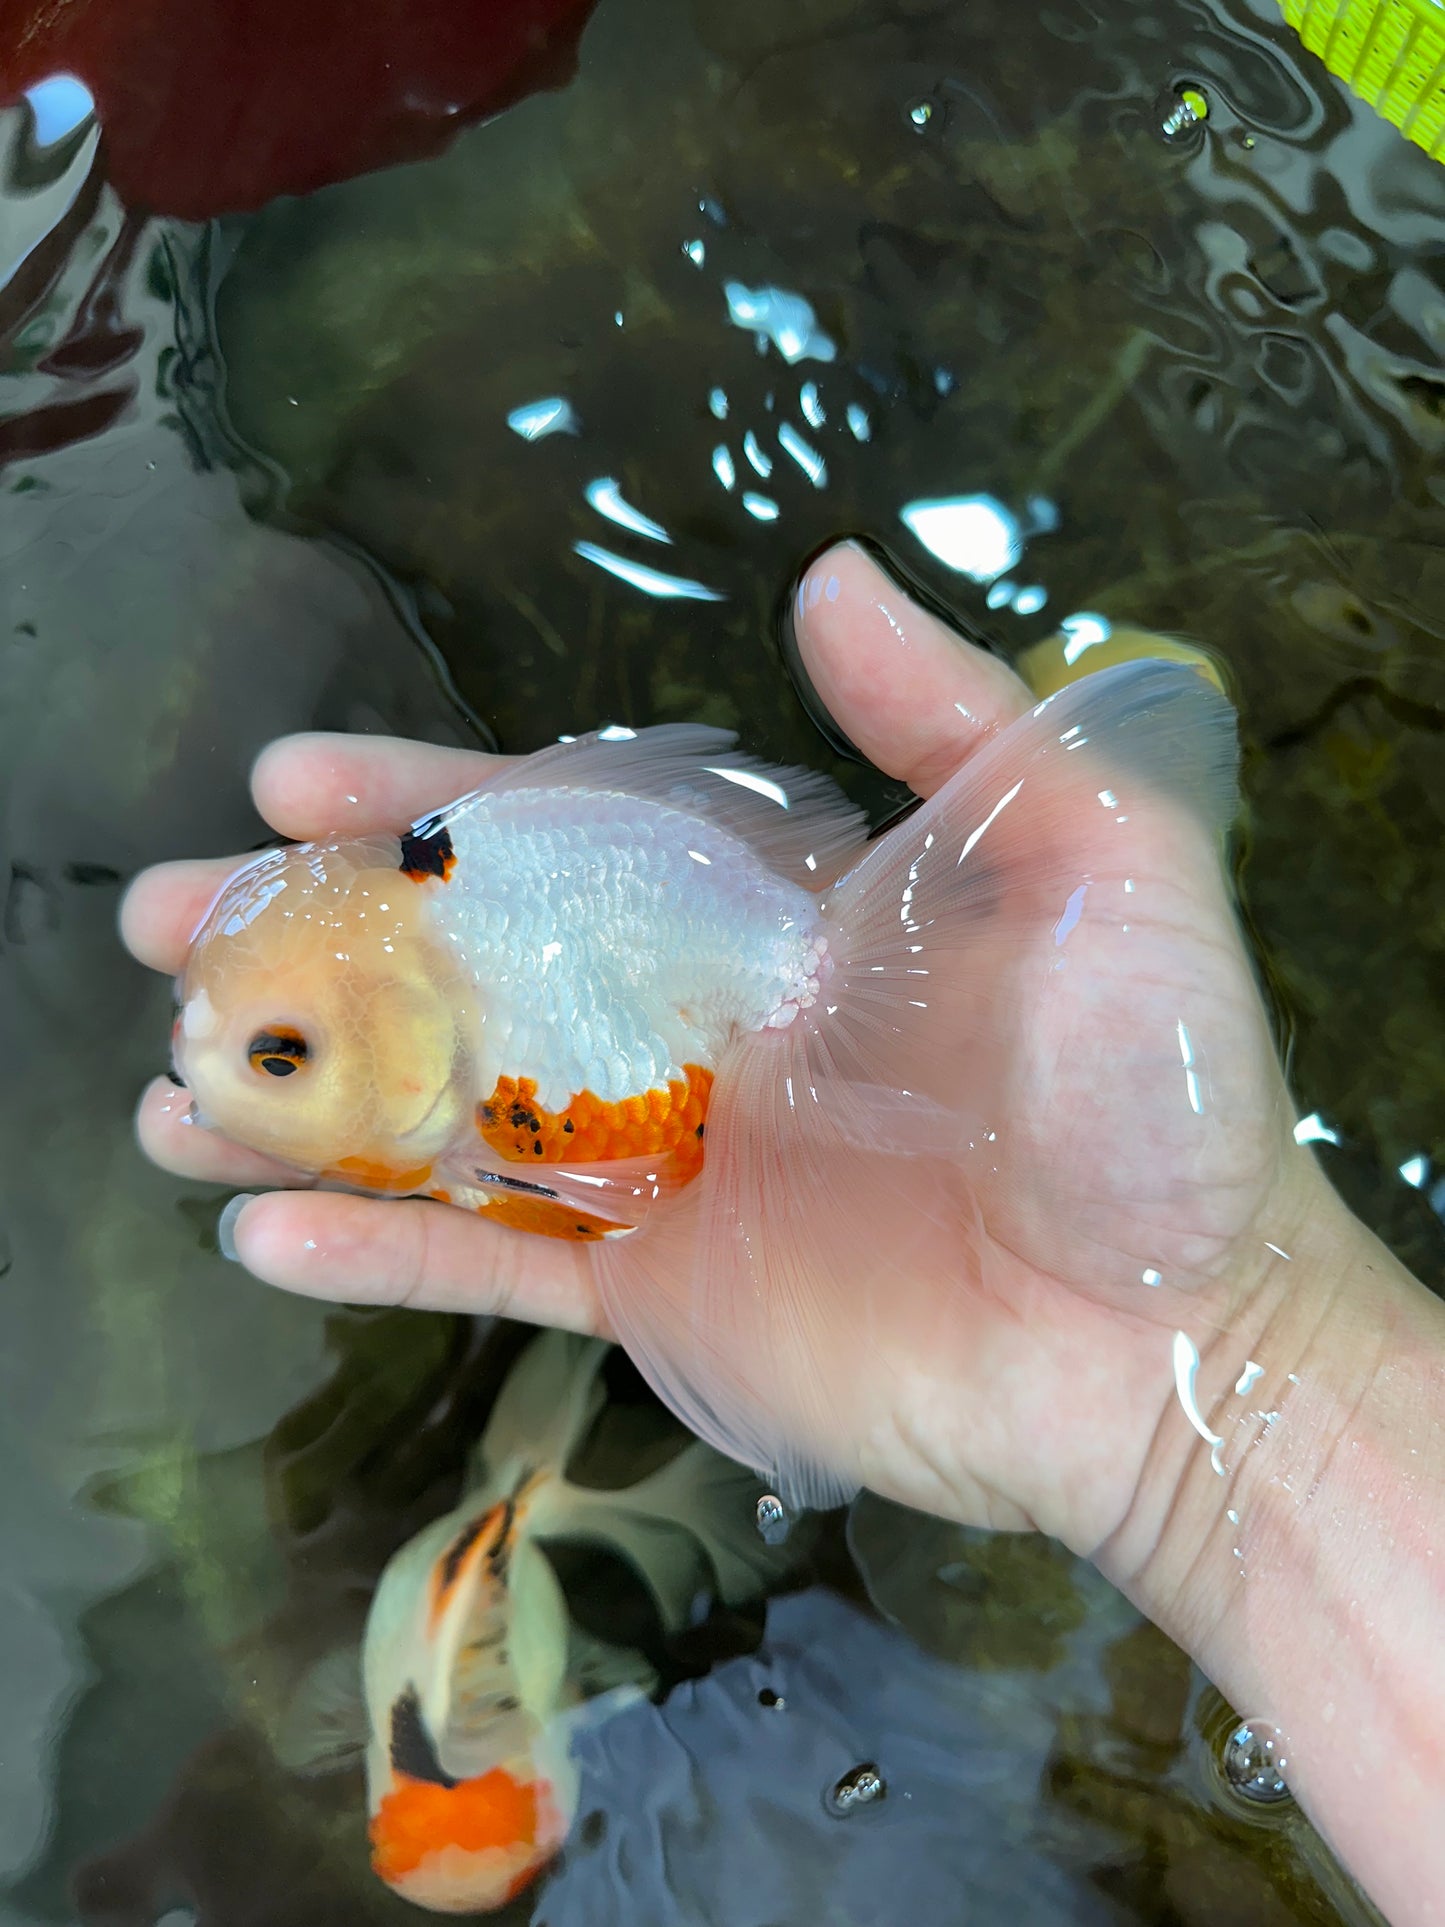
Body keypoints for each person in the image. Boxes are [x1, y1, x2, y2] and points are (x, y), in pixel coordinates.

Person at [121, 542, 1443, 1925]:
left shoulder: (505, 1029)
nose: (220, 1080)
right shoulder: (438, 995)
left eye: (278, 1055)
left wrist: (1231, 1354)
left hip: (709, 1013)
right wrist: (1240, 1362)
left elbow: (615, 1164)